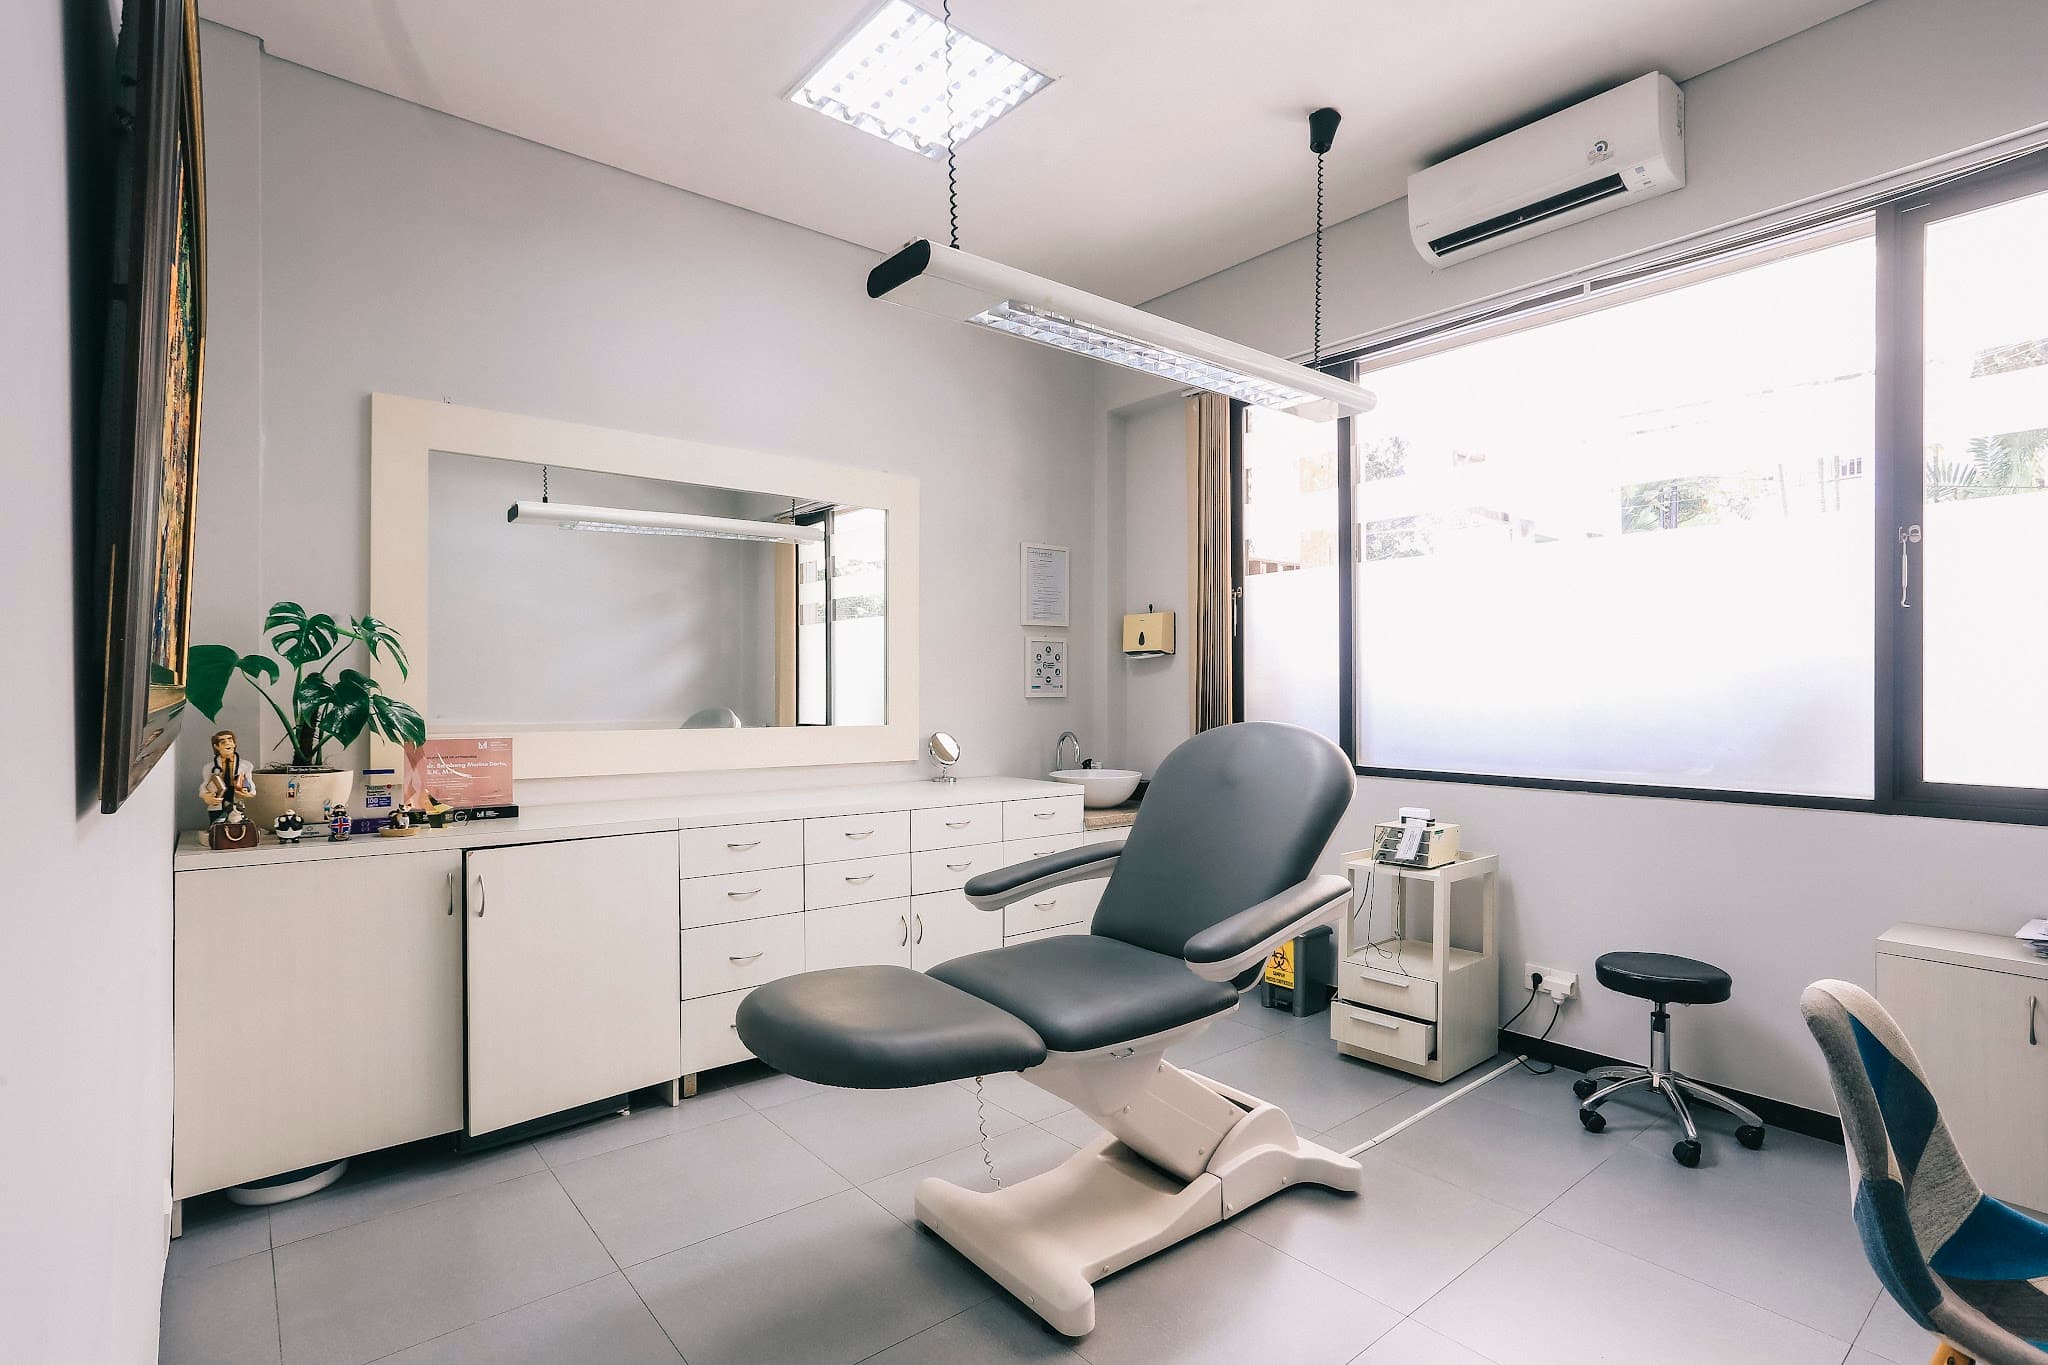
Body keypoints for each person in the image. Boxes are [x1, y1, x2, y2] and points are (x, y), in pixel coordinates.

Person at [200, 729, 255, 825]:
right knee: (217, 827)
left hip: (236, 804)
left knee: (236, 826)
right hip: (217, 803)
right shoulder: (209, 767)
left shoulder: (246, 766)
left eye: (230, 740)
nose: (227, 743)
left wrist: (247, 793)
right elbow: (204, 787)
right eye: (223, 741)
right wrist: (206, 797)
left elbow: (251, 786)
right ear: (216, 746)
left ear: (234, 744)